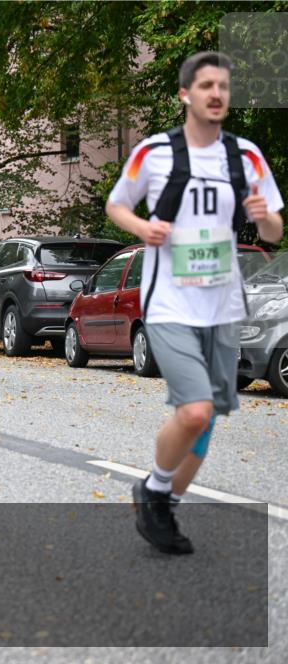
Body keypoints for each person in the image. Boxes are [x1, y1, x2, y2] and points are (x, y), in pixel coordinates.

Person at [106, 51, 284, 555]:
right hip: (168, 305)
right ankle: (155, 488)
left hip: (223, 307)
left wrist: (262, 217)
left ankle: (162, 507)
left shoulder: (245, 157)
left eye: (223, 86)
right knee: (195, 410)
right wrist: (143, 228)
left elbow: (274, 228)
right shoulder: (155, 152)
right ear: (186, 94)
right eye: (205, 85)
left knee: (207, 418)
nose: (216, 94)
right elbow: (116, 204)